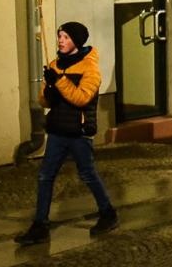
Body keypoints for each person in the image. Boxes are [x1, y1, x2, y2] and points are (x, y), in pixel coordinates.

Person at [15, 22, 117, 244]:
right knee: (45, 176)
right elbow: (45, 100)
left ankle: (108, 213)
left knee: (87, 174)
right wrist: (49, 87)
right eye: (60, 36)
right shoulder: (56, 64)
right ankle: (40, 224)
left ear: (77, 42)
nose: (61, 40)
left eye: (66, 37)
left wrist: (59, 81)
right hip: (58, 130)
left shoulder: (90, 68)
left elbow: (81, 98)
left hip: (78, 131)